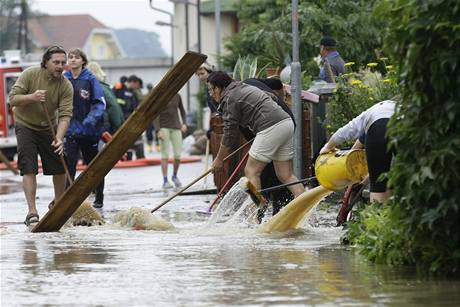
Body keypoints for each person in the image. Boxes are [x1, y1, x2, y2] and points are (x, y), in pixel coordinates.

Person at [208, 71, 305, 199]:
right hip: (286, 123)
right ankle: (309, 214)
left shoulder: (230, 98)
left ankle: (255, 215)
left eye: (211, 89)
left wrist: (219, 159)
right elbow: (272, 97)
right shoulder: (244, 87)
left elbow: (230, 134)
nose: (210, 93)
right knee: (285, 175)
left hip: (271, 127)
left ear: (219, 87)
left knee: (251, 171)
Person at [9, 45, 74, 226]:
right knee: (28, 167)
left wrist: (59, 138)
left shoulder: (65, 85)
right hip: (25, 125)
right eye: (56, 62)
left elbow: (65, 114)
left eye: (63, 63)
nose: (60, 66)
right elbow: (13, 99)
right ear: (46, 63)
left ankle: (58, 203)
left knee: (59, 166)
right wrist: (32, 97)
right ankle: (32, 212)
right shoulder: (30, 74)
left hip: (49, 127)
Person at [320, 100, 396, 203]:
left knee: (378, 186)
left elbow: (346, 131)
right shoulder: (402, 109)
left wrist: (328, 147)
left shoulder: (372, 113)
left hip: (377, 128)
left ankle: (378, 217)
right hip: (401, 129)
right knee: (393, 180)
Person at [64, 48, 106, 208]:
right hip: (70, 130)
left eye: (76, 57)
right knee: (69, 165)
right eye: (70, 57)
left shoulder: (90, 79)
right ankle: (67, 200)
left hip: (90, 131)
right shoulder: (64, 78)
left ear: (83, 60)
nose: (73, 60)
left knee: (93, 165)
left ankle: (99, 196)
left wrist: (91, 119)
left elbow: (100, 103)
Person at [153, 93, 187, 189]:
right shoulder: (160, 96)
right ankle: (165, 180)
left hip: (176, 127)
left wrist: (184, 123)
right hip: (164, 128)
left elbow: (182, 111)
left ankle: (174, 176)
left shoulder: (177, 96)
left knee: (177, 155)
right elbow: (155, 114)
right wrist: (158, 130)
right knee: (165, 155)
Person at [86, 61, 124, 134]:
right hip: (103, 128)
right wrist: (118, 127)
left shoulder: (85, 88)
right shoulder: (102, 88)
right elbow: (113, 107)